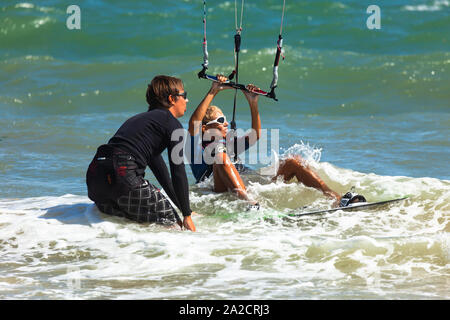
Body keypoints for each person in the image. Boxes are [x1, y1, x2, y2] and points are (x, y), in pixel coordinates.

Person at [187, 75, 365, 208]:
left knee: (293, 161)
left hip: (252, 185)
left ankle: (338, 199)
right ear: (204, 128)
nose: (225, 124)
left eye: (225, 120)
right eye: (219, 121)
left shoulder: (230, 145)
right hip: (223, 191)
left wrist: (253, 103)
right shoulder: (196, 150)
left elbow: (256, 134)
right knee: (220, 157)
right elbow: (194, 122)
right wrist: (213, 91)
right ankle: (251, 204)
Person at [86, 75, 197, 231]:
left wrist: (185, 208)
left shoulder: (141, 122)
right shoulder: (172, 124)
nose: (186, 101)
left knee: (132, 228)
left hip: (97, 182)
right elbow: (177, 172)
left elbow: (163, 176)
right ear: (172, 99)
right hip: (123, 177)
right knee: (176, 228)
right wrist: (186, 216)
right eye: (184, 96)